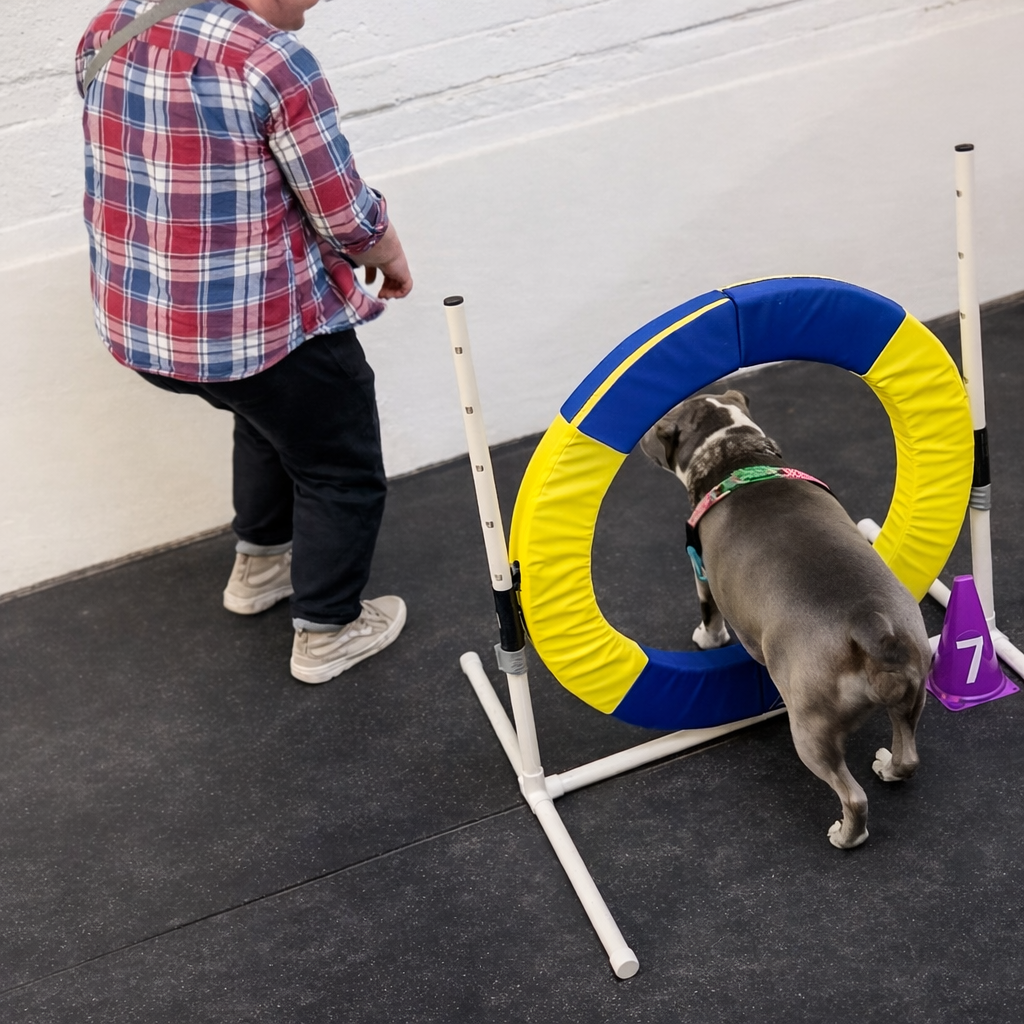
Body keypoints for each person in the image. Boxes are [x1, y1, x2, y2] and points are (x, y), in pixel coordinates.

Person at [76, 0, 412, 684]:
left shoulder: (114, 24)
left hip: (148, 327)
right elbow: (341, 210)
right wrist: (390, 249)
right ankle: (329, 630)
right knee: (339, 465)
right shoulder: (271, 62)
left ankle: (261, 565)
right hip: (253, 329)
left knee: (268, 420)